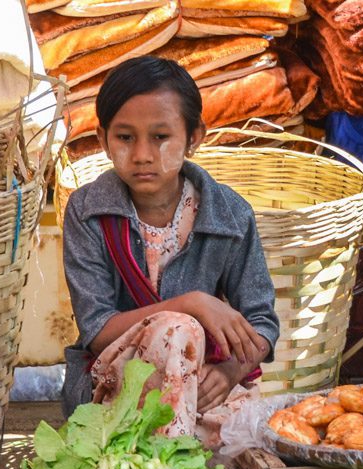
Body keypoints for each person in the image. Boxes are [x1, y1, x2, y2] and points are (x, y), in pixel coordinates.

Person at [61, 55, 279, 445]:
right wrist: (191, 304)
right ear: (103, 140)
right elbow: (95, 331)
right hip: (115, 386)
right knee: (178, 327)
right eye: (125, 137)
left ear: (194, 138)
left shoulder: (229, 214)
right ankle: (171, 462)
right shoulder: (87, 211)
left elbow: (261, 323)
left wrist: (229, 372)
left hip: (204, 377)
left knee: (249, 434)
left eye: (160, 137)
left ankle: (170, 451)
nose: (143, 154)